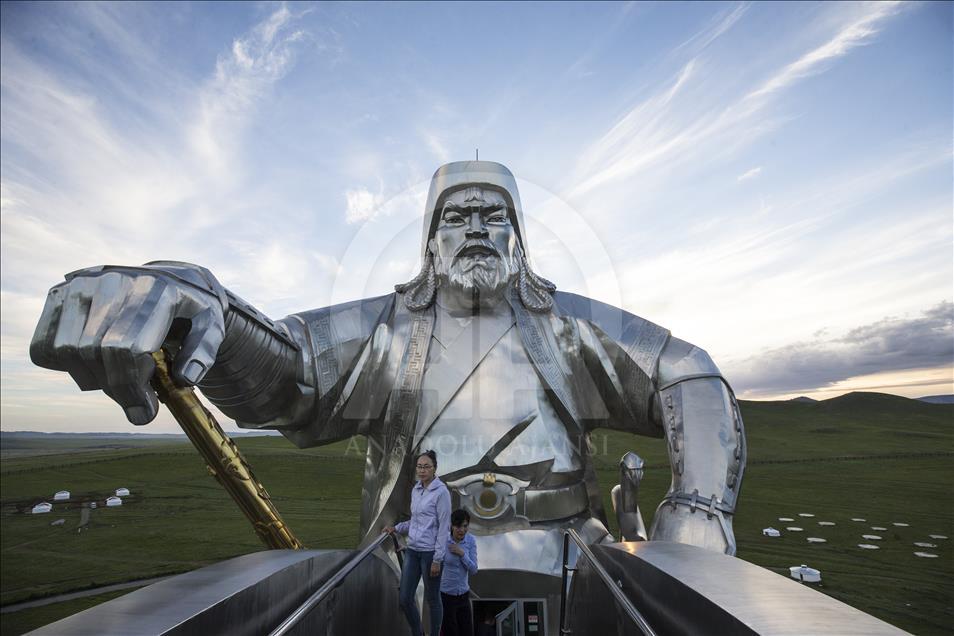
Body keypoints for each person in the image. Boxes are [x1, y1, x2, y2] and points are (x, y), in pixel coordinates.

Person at [30, 161, 746, 610]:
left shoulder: (568, 326)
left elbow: (687, 371)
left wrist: (700, 507)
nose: (474, 229)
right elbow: (287, 376)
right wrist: (204, 307)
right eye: (455, 217)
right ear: (429, 242)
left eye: (492, 217)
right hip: (411, 561)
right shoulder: (386, 330)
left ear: (519, 240)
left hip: (572, 560)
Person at [384, 450, 451, 636]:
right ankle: (418, 632)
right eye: (419, 467)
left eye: (426, 467)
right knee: (405, 598)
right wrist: (396, 528)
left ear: (434, 468)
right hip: (413, 551)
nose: (422, 470)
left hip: (430, 554)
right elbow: (415, 520)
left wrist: (438, 559)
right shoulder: (416, 489)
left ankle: (435, 633)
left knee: (433, 599)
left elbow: (444, 528)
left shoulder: (441, 493)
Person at [440, 509, 477, 636]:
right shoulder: (443, 540)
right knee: (451, 632)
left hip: (463, 595)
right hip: (446, 596)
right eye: (458, 526)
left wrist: (462, 554)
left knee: (467, 632)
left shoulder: (471, 541)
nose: (462, 530)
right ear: (452, 526)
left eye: (465, 526)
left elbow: (474, 569)